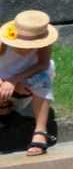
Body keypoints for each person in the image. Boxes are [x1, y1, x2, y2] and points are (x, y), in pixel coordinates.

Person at [0, 10, 58, 157]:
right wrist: (5, 83)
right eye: (24, 43)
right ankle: (4, 110)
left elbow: (43, 64)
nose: (28, 47)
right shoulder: (2, 42)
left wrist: (16, 80)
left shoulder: (44, 43)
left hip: (24, 80)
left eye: (33, 44)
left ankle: (40, 131)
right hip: (2, 79)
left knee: (44, 75)